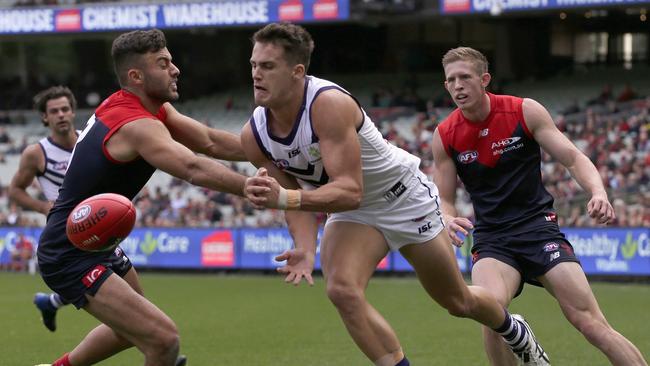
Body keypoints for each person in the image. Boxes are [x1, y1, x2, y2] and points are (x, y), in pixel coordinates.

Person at [241, 23, 548, 366]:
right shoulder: (254, 134)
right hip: (354, 212)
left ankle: (513, 329)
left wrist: (285, 199)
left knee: (457, 302)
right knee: (341, 290)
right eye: (253, 65)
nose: (256, 74)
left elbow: (345, 190)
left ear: (297, 72)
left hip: (401, 197)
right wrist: (304, 246)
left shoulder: (328, 104)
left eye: (267, 66)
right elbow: (295, 193)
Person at [36, 29, 253, 366]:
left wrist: (272, 149)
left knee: (130, 330)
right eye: (163, 63)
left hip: (96, 241)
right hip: (69, 251)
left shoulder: (146, 107)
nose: (175, 69)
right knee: (163, 340)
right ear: (136, 76)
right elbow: (192, 167)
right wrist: (251, 187)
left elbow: (209, 141)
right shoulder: (135, 123)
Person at [431, 46, 648, 366]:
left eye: (465, 77)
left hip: (537, 227)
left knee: (591, 323)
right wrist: (447, 218)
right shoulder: (445, 134)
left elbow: (573, 158)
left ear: (485, 79)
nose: (458, 85)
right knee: (490, 315)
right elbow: (445, 198)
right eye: (451, 80)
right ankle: (517, 333)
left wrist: (598, 191)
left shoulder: (523, 111)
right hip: (493, 239)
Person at [7, 86, 79, 332]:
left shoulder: (90, 141)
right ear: (45, 118)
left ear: (73, 112)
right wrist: (42, 207)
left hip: (98, 224)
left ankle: (50, 302)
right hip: (66, 231)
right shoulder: (37, 153)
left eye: (65, 109)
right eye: (54, 111)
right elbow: (14, 190)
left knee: (107, 289)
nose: (60, 115)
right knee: (112, 291)